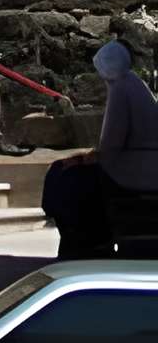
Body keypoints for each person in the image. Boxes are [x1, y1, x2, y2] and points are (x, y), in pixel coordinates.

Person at [41, 38, 158, 257]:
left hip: (135, 172)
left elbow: (112, 143)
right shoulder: (134, 85)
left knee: (64, 176)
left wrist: (88, 158)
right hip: (141, 166)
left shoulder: (121, 88)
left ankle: (84, 244)